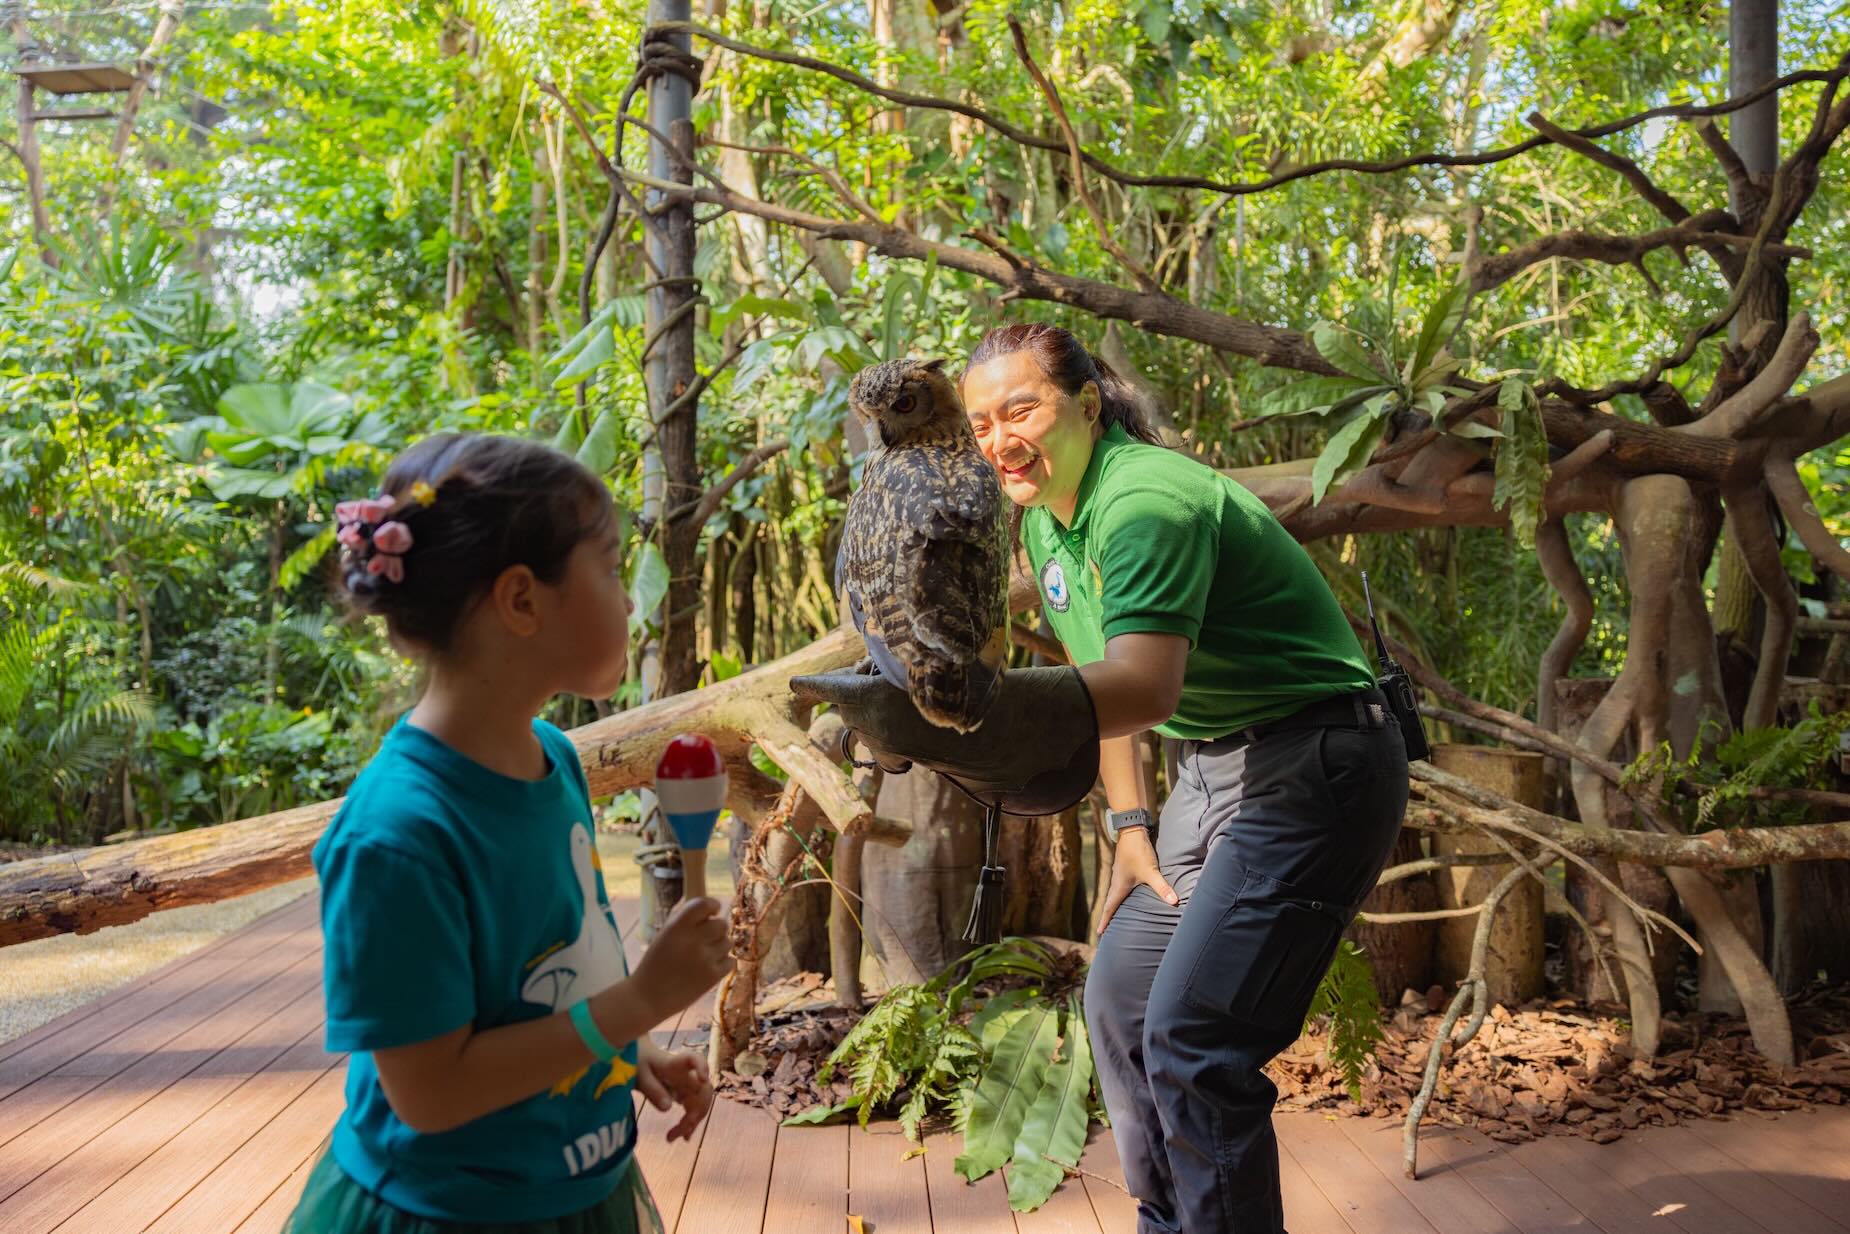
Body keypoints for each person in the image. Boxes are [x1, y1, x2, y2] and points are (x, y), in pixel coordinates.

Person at [794, 324, 1409, 1234]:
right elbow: (1113, 680)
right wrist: (1131, 828)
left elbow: (1145, 684)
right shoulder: (1046, 518)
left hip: (1315, 764)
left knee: (1198, 1040)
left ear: (1087, 404)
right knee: (1121, 1004)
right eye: (978, 420)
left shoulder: (1144, 503)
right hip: (1212, 771)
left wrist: (977, 714)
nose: (997, 436)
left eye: (1021, 409)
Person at [288, 433, 732, 1234]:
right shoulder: (397, 834)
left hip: (574, 1189)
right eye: (607, 566)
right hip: (447, 1212)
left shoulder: (555, 760)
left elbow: (554, 977)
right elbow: (430, 1093)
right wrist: (636, 1004)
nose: (630, 600)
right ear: (522, 600)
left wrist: (629, 1054)